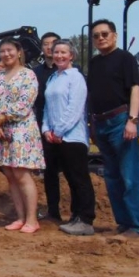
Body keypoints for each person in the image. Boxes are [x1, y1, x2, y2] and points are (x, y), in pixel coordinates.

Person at [87, 19, 139, 238]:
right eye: (96, 35)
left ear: (114, 36)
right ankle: (123, 223)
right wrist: (92, 124)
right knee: (112, 177)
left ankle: (138, 226)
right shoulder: (94, 63)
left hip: (121, 121)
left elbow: (136, 89)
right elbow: (92, 94)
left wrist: (132, 120)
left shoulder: (125, 58)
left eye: (104, 34)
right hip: (101, 123)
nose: (100, 38)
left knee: (130, 176)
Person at [0, 38, 45, 234]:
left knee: (21, 174)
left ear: (19, 52)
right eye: (2, 51)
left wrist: (2, 118)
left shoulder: (28, 75)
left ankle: (32, 219)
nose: (6, 54)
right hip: (0, 132)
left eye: (10, 50)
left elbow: (24, 103)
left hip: (21, 130)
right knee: (10, 174)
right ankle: (20, 217)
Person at [41, 40, 96, 236]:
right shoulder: (52, 78)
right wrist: (46, 129)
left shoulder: (76, 77)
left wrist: (59, 131)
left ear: (71, 55)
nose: (59, 56)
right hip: (54, 137)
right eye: (56, 52)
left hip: (72, 137)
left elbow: (75, 109)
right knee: (70, 179)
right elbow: (47, 108)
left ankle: (86, 219)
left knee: (79, 178)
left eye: (64, 52)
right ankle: (75, 216)